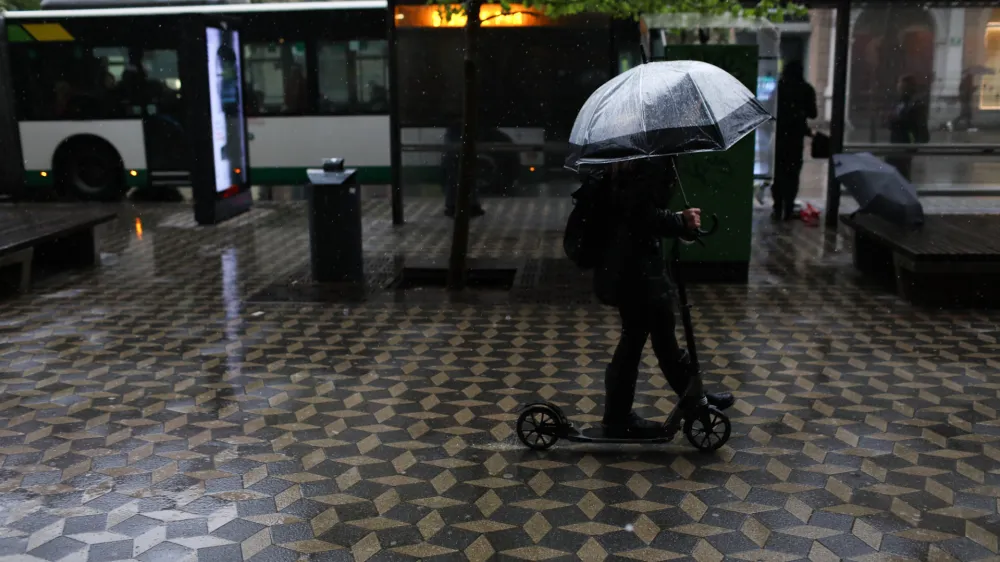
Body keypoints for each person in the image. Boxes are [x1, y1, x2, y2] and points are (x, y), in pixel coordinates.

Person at [592, 159, 735, 438]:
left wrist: (677, 220)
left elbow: (642, 213)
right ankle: (618, 418)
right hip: (636, 273)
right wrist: (679, 220)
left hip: (636, 270)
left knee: (658, 338)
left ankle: (693, 398)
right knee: (638, 341)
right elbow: (640, 216)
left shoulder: (632, 164)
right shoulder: (637, 166)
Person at [772, 60, 817, 221]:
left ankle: (777, 207)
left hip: (780, 136)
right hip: (795, 137)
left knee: (778, 172)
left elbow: (770, 108)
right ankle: (789, 207)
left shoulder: (780, 88)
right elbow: (813, 114)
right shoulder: (806, 89)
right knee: (792, 173)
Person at [886, 75, 929, 181]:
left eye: (900, 85)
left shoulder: (915, 104)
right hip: (895, 144)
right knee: (894, 172)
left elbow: (913, 124)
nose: (898, 87)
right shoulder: (898, 103)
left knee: (902, 173)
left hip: (904, 144)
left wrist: (897, 121)